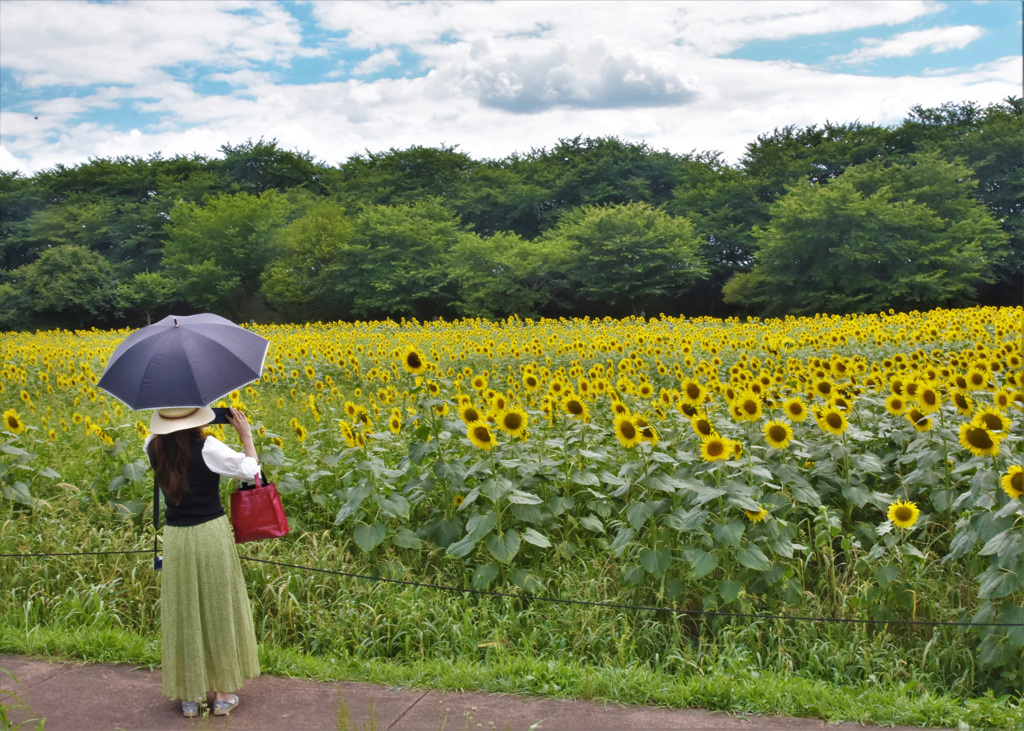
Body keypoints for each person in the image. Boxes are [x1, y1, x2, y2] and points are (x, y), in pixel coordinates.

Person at [145, 406, 261, 718]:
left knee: (184, 610)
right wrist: (246, 436)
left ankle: (190, 696)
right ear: (198, 416)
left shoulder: (151, 446)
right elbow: (251, 471)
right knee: (218, 608)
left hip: (177, 538)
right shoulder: (209, 447)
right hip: (211, 535)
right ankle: (222, 693)